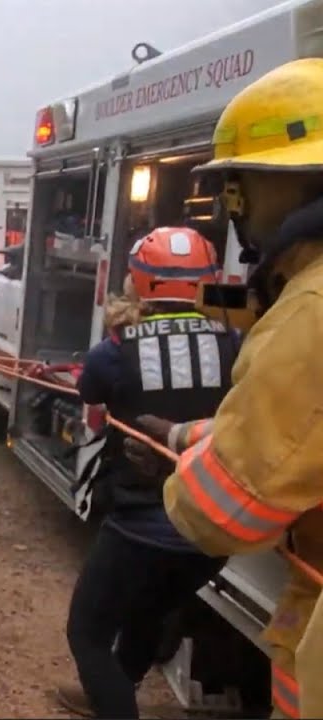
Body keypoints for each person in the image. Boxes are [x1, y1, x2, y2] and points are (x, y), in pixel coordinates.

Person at [141, 58, 323, 720]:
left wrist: (168, 460)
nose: (231, 207)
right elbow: (297, 437)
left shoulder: (310, 312)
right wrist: (188, 433)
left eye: (237, 184)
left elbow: (225, 511)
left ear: (287, 183)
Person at [56, 227, 235, 719]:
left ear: (139, 280)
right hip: (212, 531)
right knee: (147, 612)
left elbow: (92, 405)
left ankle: (111, 698)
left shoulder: (114, 350)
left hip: (143, 525)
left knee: (86, 633)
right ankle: (113, 690)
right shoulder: (236, 342)